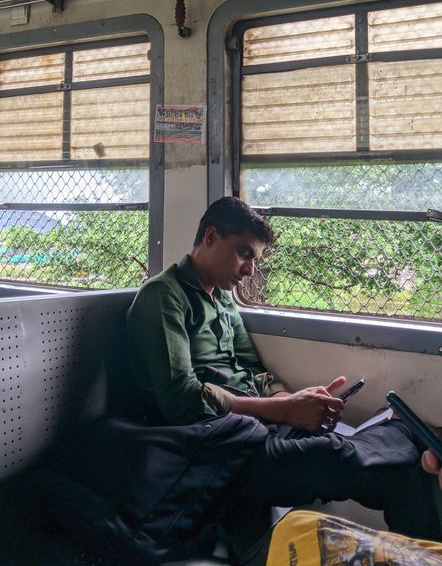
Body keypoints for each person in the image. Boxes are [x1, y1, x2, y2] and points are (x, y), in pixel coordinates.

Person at [127, 197, 442, 547]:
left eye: (254, 260)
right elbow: (180, 399)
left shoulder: (223, 299)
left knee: (401, 431)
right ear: (211, 237)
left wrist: (291, 401)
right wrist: (282, 410)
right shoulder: (163, 296)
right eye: (244, 253)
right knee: (339, 456)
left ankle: (424, 550)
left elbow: (255, 372)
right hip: (212, 447)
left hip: (256, 426)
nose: (249, 270)